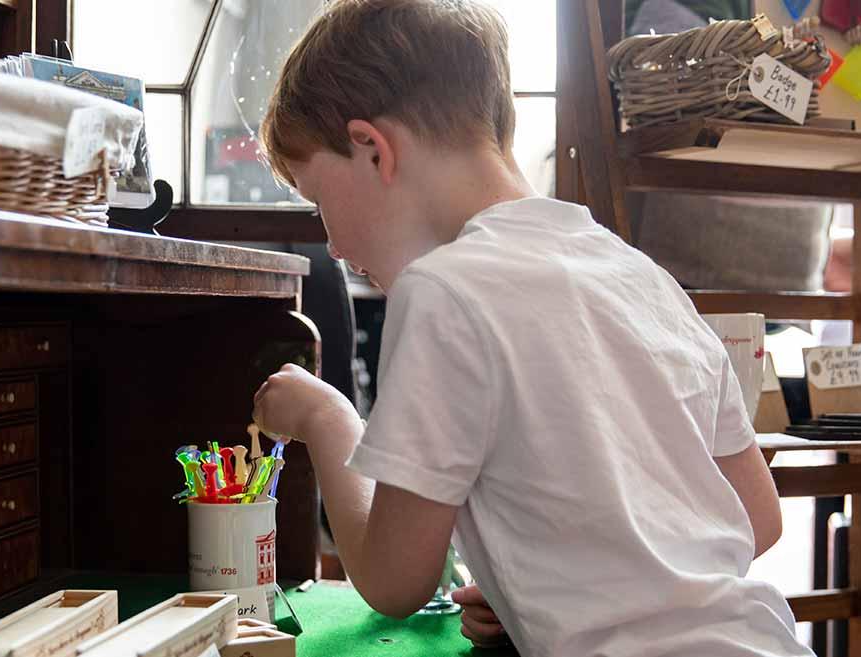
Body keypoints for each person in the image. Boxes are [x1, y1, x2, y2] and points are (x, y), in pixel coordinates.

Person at [251, 1, 810, 655]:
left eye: (319, 201)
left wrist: (327, 420)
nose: (336, 246)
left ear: (373, 150)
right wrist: (553, 578)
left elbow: (393, 580)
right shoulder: (638, 275)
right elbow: (754, 516)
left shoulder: (443, 290)